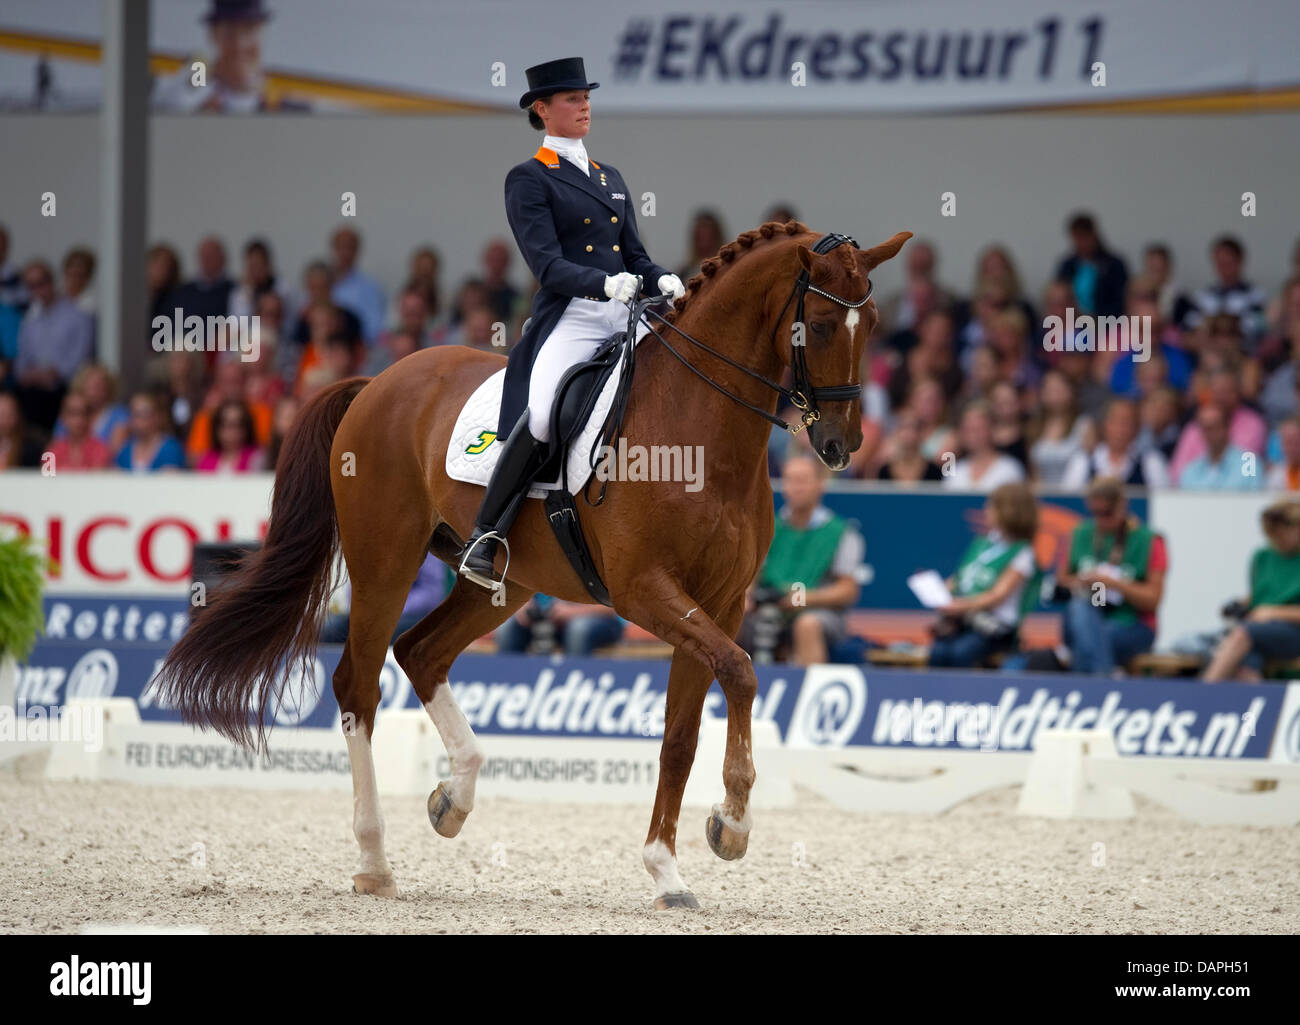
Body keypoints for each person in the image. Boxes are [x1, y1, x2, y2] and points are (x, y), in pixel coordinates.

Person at [456, 57, 684, 590]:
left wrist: (663, 279)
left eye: (586, 97)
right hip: (575, 317)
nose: (584, 106)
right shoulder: (530, 178)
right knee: (541, 418)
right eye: (571, 99)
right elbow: (547, 265)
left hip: (625, 312)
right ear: (542, 109)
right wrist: (604, 285)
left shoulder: (610, 177)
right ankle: (486, 534)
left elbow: (634, 256)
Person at [737, 456, 865, 666]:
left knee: (807, 625)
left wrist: (802, 599)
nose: (796, 488)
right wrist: (747, 597)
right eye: (790, 481)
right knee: (732, 614)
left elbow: (847, 590)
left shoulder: (842, 532)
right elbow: (752, 576)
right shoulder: (768, 528)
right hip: (768, 608)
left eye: (803, 481)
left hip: (817, 611)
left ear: (819, 485)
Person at [1058, 477, 1166, 675]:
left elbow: (1153, 599)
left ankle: (1091, 691)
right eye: (1095, 513)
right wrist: (1085, 581)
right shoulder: (1080, 533)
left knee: (1089, 639)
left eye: (1107, 513)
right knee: (1080, 612)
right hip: (1089, 612)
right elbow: (1062, 580)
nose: (1100, 520)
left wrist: (1115, 584)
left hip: (1132, 624)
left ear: (1122, 505)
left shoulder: (1149, 540)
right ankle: (1104, 688)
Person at [928, 482, 1039, 668]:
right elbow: (960, 579)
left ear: (1009, 510)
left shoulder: (1022, 553)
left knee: (960, 652)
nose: (986, 510)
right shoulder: (981, 543)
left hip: (994, 628)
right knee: (938, 652)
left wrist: (960, 606)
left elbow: (997, 595)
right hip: (964, 621)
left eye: (992, 506)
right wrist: (942, 591)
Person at [1204, 499, 1300, 681]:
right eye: (1272, 535)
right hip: (1262, 631)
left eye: (1282, 534)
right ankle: (1256, 704)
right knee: (1246, 664)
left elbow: (1273, 606)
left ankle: (1204, 692)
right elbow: (1261, 594)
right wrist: (1239, 605)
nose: (1277, 540)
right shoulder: (1262, 557)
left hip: (1292, 630)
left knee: (1241, 636)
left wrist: (1273, 613)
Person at [12, 259, 95, 433]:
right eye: (31, 286)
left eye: (41, 283)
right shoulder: (30, 321)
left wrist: (55, 372)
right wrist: (33, 375)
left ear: (51, 281)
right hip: (33, 392)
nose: (37, 290)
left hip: (63, 387)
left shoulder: (78, 315)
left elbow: (81, 357)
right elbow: (20, 363)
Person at [1061, 397, 1170, 489]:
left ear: (1137, 428)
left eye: (1127, 423)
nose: (1121, 429)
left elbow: (1165, 502)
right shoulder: (1083, 461)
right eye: (1115, 422)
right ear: (1104, 425)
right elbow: (1068, 502)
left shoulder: (1151, 462)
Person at [495, 594, 627, 656]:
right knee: (508, 627)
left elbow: (615, 607)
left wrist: (572, 612)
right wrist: (520, 605)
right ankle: (509, 689)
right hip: (545, 621)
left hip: (600, 622)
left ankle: (573, 691)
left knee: (578, 630)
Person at [1053, 212, 1128, 318]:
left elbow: (1120, 301)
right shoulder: (1068, 266)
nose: (1082, 243)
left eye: (1084, 237)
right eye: (1077, 238)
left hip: (1106, 322)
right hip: (1072, 321)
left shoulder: (1113, 265)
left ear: (1094, 235)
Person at [941, 399, 1025, 491]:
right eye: (967, 429)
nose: (972, 434)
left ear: (991, 429)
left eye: (978, 429)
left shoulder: (1010, 469)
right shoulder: (955, 470)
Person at [1178, 403, 1263, 492]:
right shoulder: (1191, 470)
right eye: (1205, 428)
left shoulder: (1249, 464)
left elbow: (1255, 501)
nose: (1208, 433)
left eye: (1213, 427)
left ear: (1227, 428)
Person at [329, 227, 386, 344]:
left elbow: (374, 328)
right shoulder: (321, 282)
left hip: (356, 350)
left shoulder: (370, 287)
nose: (345, 253)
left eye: (350, 247)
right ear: (333, 249)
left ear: (357, 250)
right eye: (341, 247)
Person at [115, 391, 186, 473]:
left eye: (143, 414)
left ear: (157, 417)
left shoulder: (170, 448)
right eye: (134, 414)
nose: (138, 420)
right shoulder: (125, 450)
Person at [43, 391, 113, 471]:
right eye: (72, 413)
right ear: (63, 416)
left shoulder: (101, 450)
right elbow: (46, 481)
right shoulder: (52, 451)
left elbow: (97, 481)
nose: (78, 419)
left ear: (90, 417)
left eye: (83, 413)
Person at [195, 399, 265, 472]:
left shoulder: (256, 458)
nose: (232, 431)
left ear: (246, 428)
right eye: (226, 424)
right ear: (216, 428)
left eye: (237, 424)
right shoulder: (206, 460)